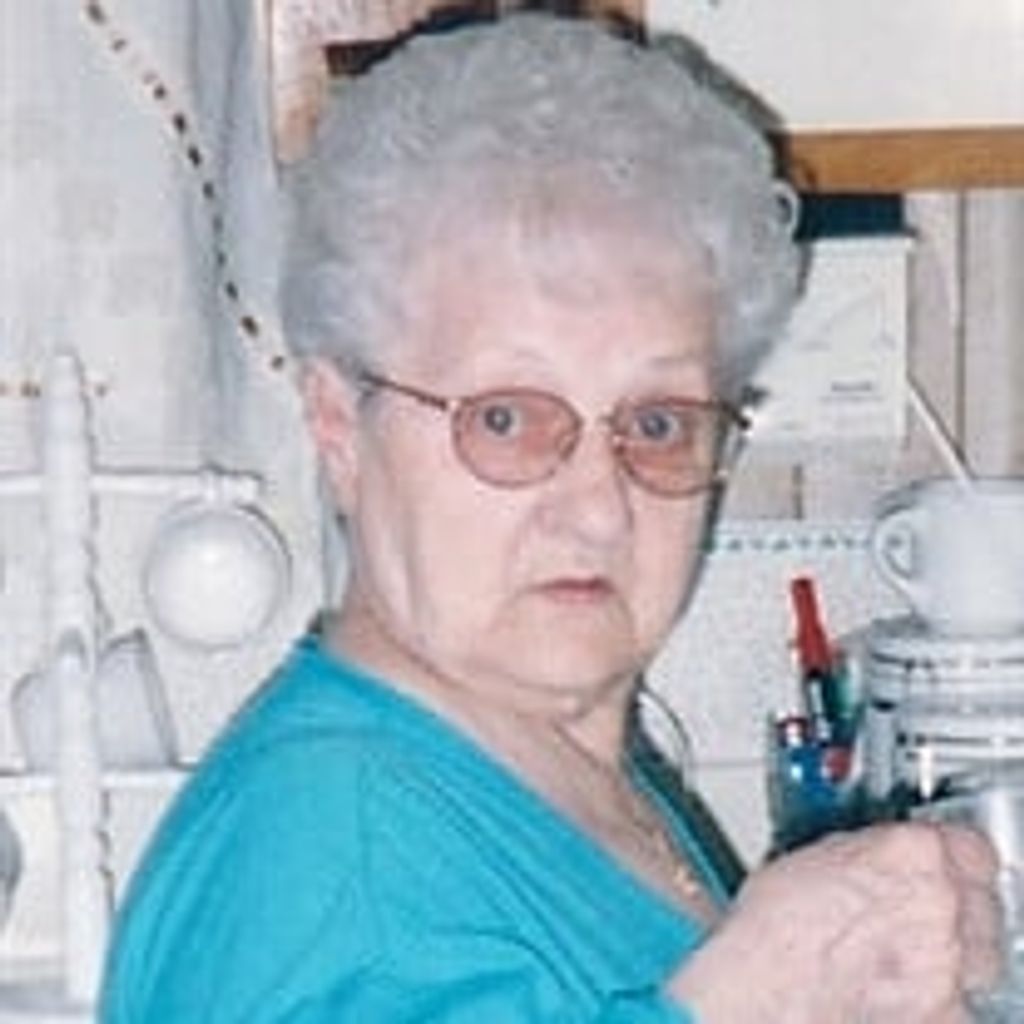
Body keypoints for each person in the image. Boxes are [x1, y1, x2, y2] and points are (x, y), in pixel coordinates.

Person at [100, 13, 1001, 1023]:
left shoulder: (542, 772)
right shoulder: (325, 861)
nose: (597, 505)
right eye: (506, 419)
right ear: (339, 426)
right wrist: (755, 997)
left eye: (656, 422)